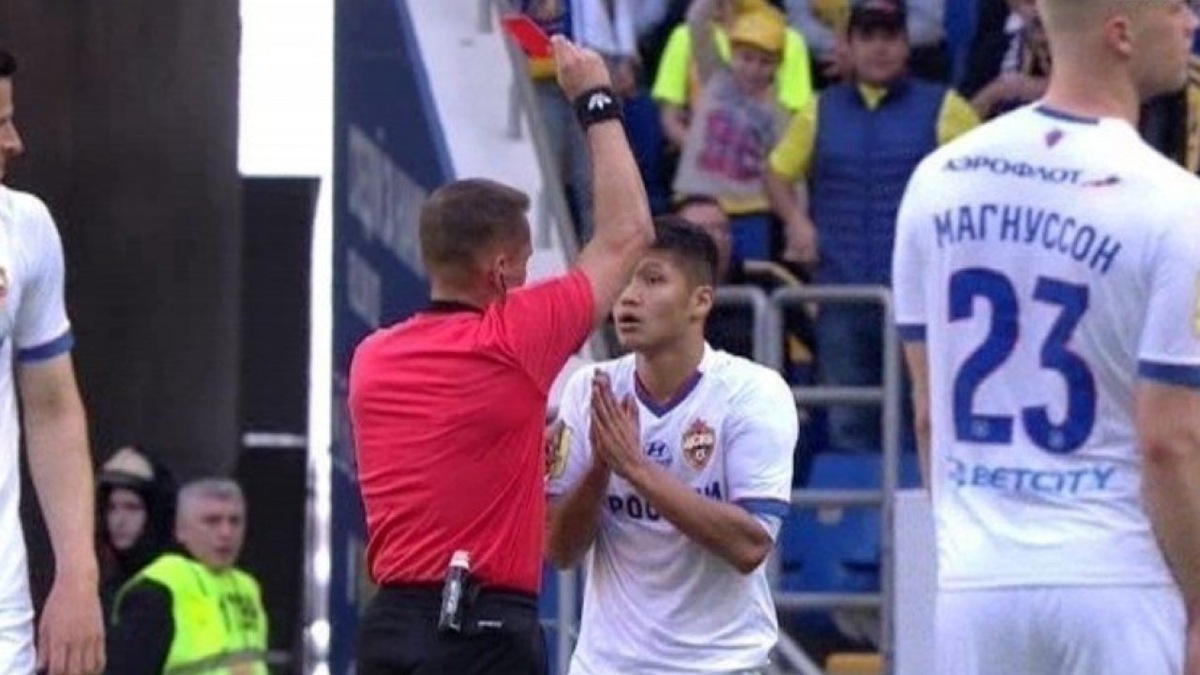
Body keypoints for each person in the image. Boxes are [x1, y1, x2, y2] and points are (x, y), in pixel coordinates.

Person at [891, 1, 1200, 673]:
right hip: (1117, 576)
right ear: (1121, 34)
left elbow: (928, 413)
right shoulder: (1174, 203)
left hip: (977, 583)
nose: (1189, 23)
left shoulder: (937, 180)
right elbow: (1169, 441)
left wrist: (969, 548)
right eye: (1175, 7)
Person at [349, 35, 654, 675]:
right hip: (481, 626)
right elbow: (628, 235)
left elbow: (453, 447)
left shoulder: (372, 358)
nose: (527, 275)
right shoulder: (512, 339)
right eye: (524, 261)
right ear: (500, 270)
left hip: (389, 624)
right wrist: (595, 99)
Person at [546, 219, 798, 674]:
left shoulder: (753, 393)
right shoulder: (590, 390)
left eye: (652, 279)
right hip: (607, 666)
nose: (629, 296)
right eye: (624, 280)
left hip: (720, 665)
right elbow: (560, 550)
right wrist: (600, 469)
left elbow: (749, 547)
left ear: (700, 301)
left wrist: (636, 469)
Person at [766, 0, 978, 453]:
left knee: (924, 419)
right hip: (841, 293)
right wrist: (796, 221)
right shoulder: (818, 110)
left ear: (906, 44)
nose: (879, 48)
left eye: (890, 37)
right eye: (868, 37)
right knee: (848, 422)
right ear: (848, 45)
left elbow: (985, 178)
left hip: (920, 298)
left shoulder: (946, 107)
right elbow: (776, 173)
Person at [0, 46, 105, 675]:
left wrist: (77, 576)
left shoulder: (26, 228)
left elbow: (53, 410)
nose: (15, 142)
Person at [106, 479, 268, 675]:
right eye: (212, 521)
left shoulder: (247, 586)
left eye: (235, 521)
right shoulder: (159, 587)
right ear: (180, 529)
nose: (226, 533)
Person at [673, 0, 793, 263]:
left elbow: (787, 172)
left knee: (749, 276)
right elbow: (696, 21)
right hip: (697, 202)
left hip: (750, 211)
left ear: (778, 65)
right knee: (689, 272)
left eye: (765, 62)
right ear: (732, 53)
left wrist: (793, 221)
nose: (753, 69)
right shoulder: (715, 75)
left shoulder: (779, 112)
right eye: (746, 58)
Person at [96, 446, 177, 618]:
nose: (119, 521)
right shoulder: (104, 585)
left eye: (132, 507)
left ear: (156, 513)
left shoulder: (175, 580)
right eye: (111, 508)